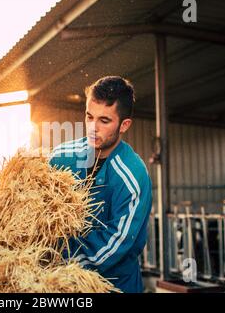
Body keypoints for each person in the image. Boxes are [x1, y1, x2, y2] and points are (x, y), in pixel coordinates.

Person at [49, 76, 153, 293]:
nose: (92, 128)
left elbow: (115, 244)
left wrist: (63, 268)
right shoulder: (60, 157)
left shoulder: (134, 176)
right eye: (89, 117)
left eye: (104, 121)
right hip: (58, 285)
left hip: (113, 286)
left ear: (124, 125)